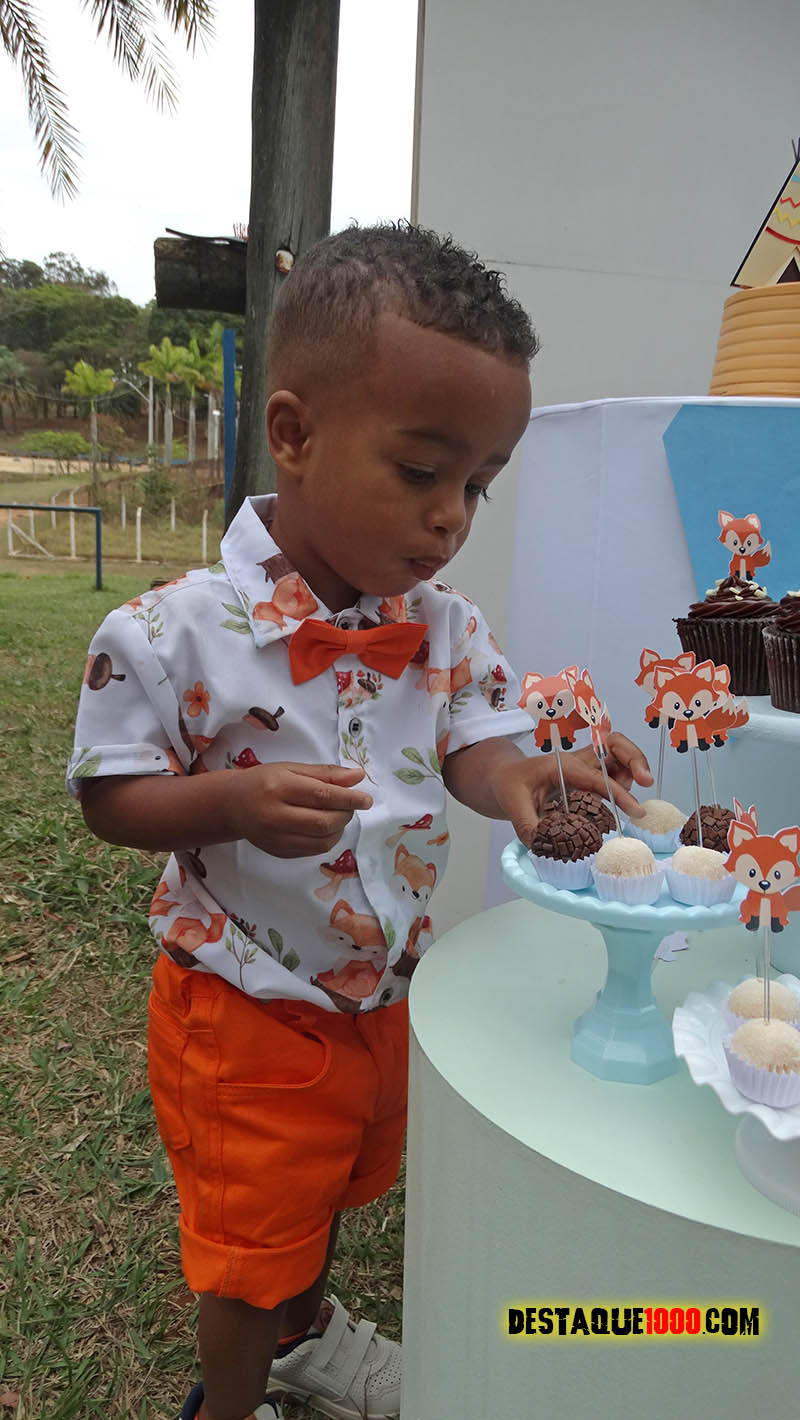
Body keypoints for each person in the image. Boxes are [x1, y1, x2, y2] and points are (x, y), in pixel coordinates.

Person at [68, 223, 652, 1420]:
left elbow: (472, 741)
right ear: (294, 434)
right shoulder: (172, 632)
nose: (450, 519)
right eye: (420, 470)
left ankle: (305, 1342)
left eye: (476, 485)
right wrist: (227, 801)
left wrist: (523, 778)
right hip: (244, 1003)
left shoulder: (443, 627)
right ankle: (230, 1402)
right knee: (248, 1253)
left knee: (327, 1190)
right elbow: (107, 792)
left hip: (380, 994)